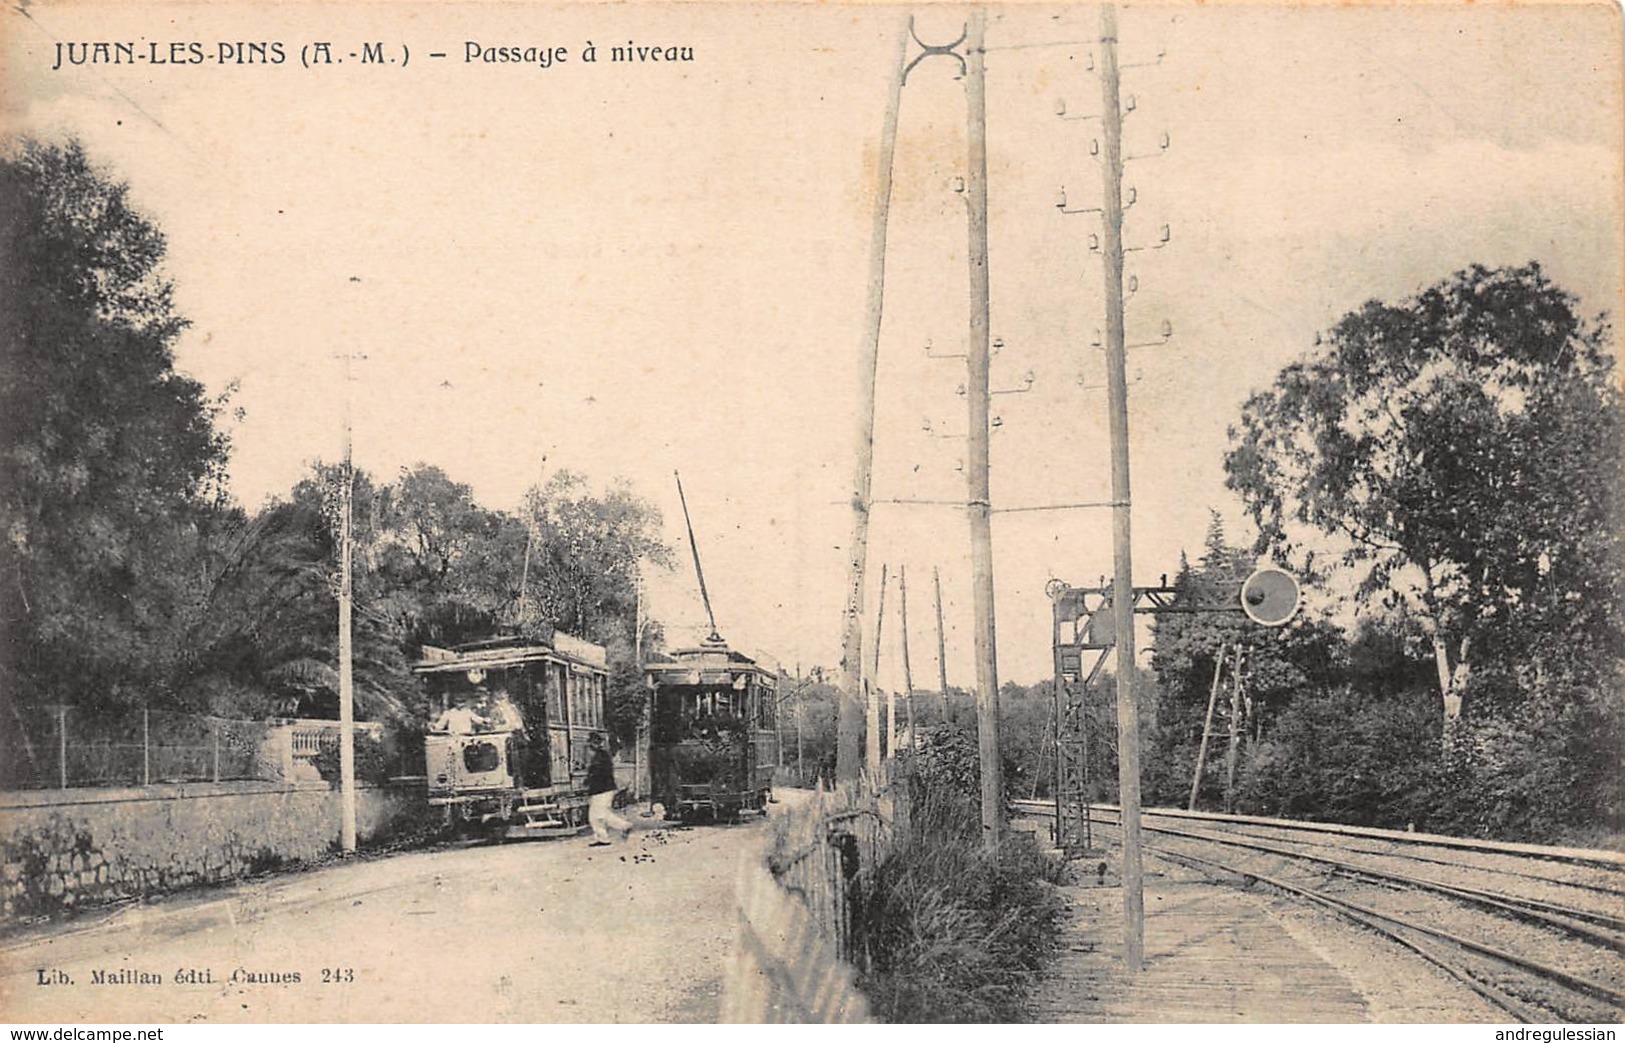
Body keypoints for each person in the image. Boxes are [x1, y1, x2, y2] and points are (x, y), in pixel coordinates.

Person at [585, 733, 631, 846]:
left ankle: (623, 826)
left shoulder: (601, 757)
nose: (591, 745)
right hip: (602, 789)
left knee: (598, 815)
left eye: (593, 742)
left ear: (597, 744)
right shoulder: (601, 756)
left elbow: (598, 774)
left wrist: (589, 780)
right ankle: (603, 837)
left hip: (602, 789)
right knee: (599, 815)